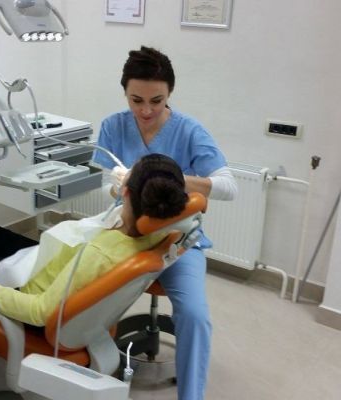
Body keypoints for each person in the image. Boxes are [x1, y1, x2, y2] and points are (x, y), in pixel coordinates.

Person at [93, 46, 237, 400]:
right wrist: (116, 183)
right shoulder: (113, 126)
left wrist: (167, 176)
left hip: (176, 243)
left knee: (195, 316)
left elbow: (228, 187)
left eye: (156, 101)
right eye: (136, 100)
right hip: (125, 236)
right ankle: (91, 381)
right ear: (125, 93)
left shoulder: (189, 131)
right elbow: (100, 180)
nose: (145, 110)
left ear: (170, 92)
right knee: (88, 300)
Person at [0, 154, 188, 327]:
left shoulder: (100, 254)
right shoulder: (161, 227)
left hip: (32, 288)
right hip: (55, 261)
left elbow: (40, 311)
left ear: (126, 192)